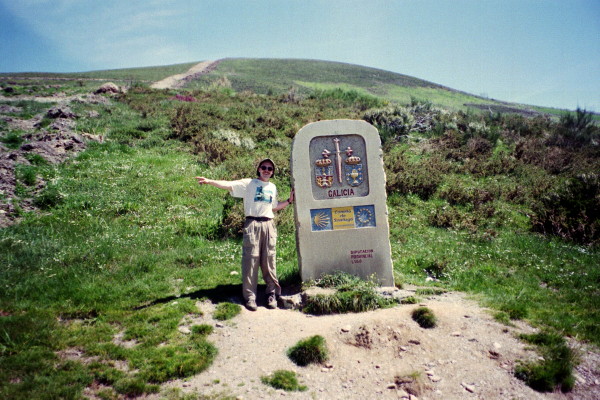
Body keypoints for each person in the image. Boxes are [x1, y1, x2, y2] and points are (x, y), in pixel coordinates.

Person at [195, 158, 294, 311]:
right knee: (251, 260)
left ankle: (271, 294)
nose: (267, 170)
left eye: (270, 169)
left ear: (273, 172)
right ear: (259, 169)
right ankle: (250, 297)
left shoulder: (272, 187)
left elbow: (273, 207)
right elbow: (228, 185)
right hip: (252, 224)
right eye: (264, 167)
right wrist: (209, 181)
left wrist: (288, 201)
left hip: (269, 225)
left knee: (269, 260)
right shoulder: (249, 184)